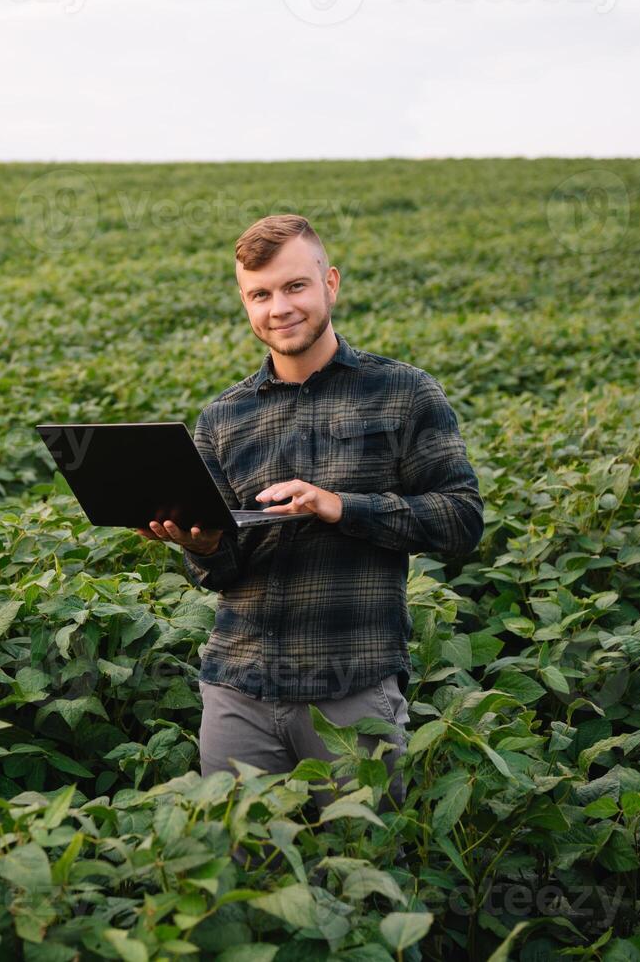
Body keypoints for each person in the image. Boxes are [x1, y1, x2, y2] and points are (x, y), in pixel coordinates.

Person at [135, 214, 484, 873]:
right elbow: (218, 572)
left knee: (369, 876)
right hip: (236, 689)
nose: (279, 308)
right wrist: (201, 542)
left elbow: (461, 519)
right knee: (243, 878)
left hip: (350, 689)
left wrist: (339, 506)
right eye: (259, 295)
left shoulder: (402, 394)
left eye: (294, 286)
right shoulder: (223, 418)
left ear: (330, 283)